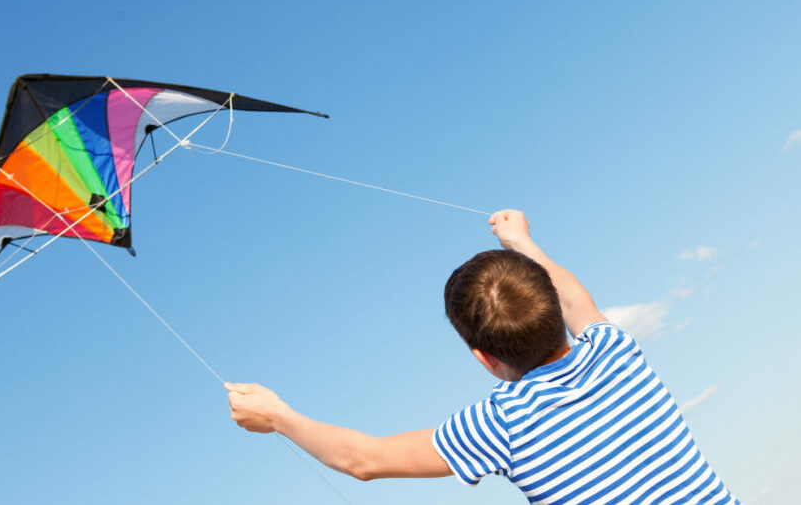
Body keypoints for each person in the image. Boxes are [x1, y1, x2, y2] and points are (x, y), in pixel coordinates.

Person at [225, 209, 740, 503]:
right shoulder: (616, 353)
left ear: (482, 359)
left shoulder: (502, 423)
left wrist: (278, 417)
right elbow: (577, 300)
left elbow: (363, 460)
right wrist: (521, 241)